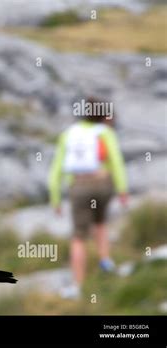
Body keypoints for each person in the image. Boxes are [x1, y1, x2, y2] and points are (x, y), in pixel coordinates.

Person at [48, 98, 128, 299]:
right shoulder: (105, 133)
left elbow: (57, 168)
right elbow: (116, 161)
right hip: (103, 184)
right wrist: (122, 190)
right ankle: (105, 262)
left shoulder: (68, 134)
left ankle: (78, 286)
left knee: (78, 237)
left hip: (79, 186)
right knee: (101, 222)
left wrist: (55, 198)